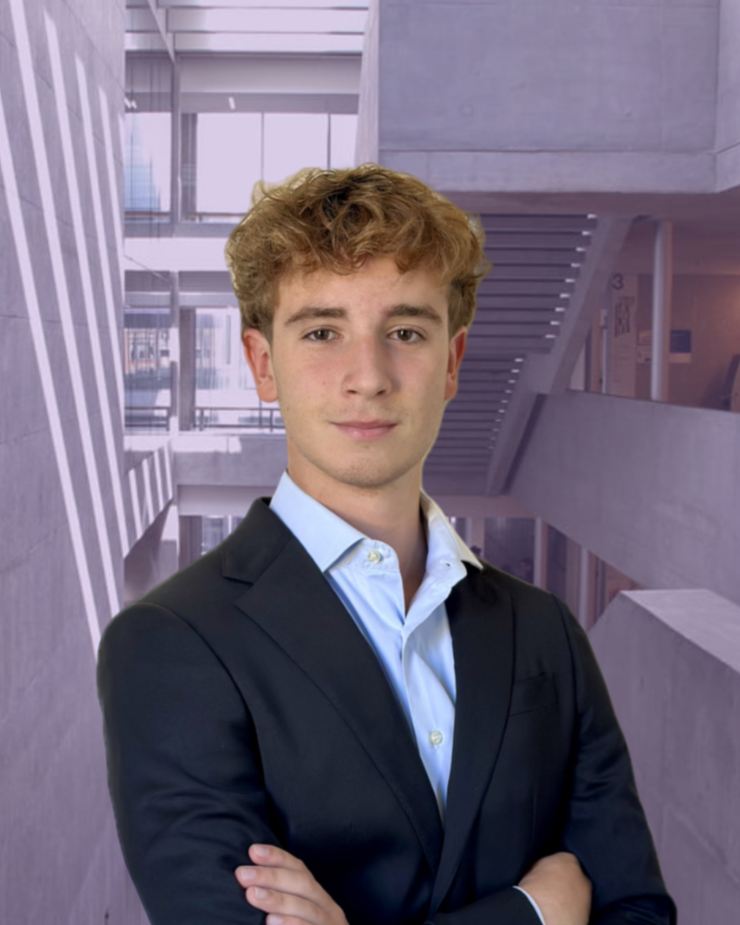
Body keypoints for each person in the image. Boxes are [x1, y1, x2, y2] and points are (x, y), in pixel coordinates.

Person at [97, 164, 676, 925]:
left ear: (453, 361)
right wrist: (534, 911)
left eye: (405, 331)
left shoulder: (547, 634)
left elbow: (637, 912)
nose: (366, 376)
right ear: (263, 363)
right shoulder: (170, 645)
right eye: (322, 331)